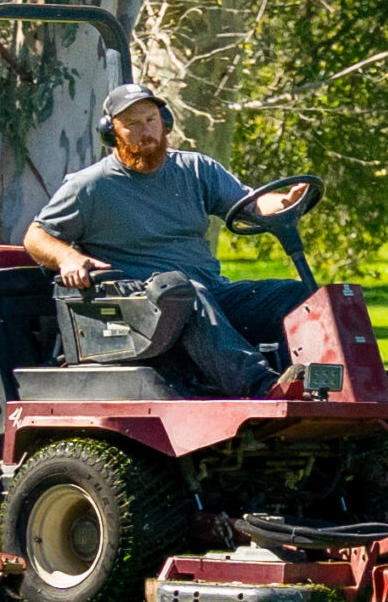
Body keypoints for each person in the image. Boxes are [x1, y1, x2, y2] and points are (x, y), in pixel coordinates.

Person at [20, 83, 312, 396]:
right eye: (131, 124)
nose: (144, 131)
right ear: (110, 133)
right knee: (186, 292)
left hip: (211, 295)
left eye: (150, 120)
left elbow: (251, 203)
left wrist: (283, 202)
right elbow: (36, 236)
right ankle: (263, 390)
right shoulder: (89, 186)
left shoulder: (196, 169)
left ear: (165, 123)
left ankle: (320, 385)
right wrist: (67, 257)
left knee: (295, 296)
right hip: (142, 311)